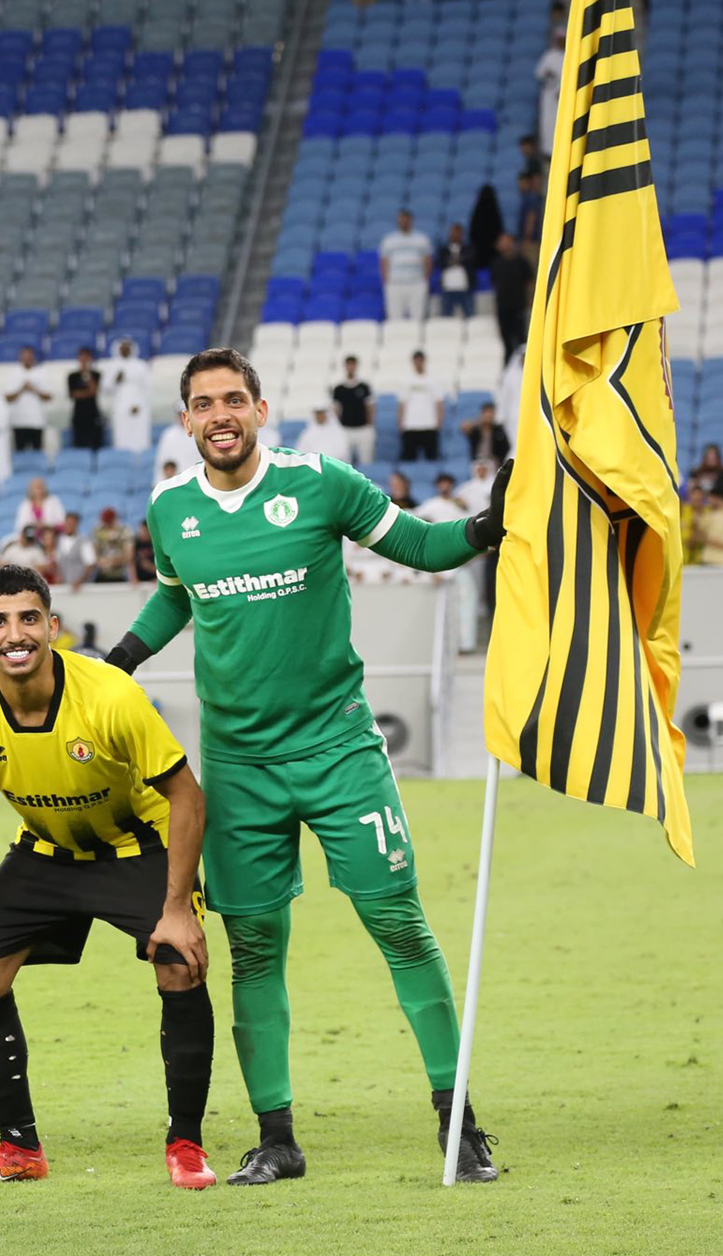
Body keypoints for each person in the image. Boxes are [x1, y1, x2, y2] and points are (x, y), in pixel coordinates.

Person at [105, 347, 509, 1184]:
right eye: (203, 404)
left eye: (233, 400)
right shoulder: (171, 508)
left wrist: (483, 529)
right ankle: (277, 1139)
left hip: (339, 750)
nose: (219, 416)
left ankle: (459, 1124)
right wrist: (118, 663)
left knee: (399, 925)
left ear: (260, 410)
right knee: (254, 949)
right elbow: (177, 594)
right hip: (239, 767)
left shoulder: (321, 483)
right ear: (185, 421)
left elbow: (419, 544)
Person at [0, 563, 215, 1188]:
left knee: (179, 965)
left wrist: (177, 908)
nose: (14, 634)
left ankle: (186, 1145)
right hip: (46, 851)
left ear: (52, 626)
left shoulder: (110, 695)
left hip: (139, 845)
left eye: (28, 618)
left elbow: (188, 797)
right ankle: (19, 1148)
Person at [379, 209, 433, 322]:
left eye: (406, 220)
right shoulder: (389, 240)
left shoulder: (422, 239)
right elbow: (384, 262)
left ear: (411, 221)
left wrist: (424, 279)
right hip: (395, 284)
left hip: (417, 283)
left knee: (417, 317)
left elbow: (428, 261)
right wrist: (387, 280)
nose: (403, 222)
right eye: (401, 220)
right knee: (394, 318)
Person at [101, 335, 152, 453]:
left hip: (138, 406)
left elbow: (147, 389)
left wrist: (139, 405)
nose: (125, 350)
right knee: (121, 434)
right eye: (122, 348)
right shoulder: (111, 366)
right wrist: (115, 380)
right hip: (119, 407)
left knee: (139, 434)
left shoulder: (141, 365)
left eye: (127, 347)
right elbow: (105, 388)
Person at [490, 233, 536, 362]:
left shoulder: (522, 261)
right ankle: (508, 365)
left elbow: (529, 282)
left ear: (512, 243)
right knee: (506, 339)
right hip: (502, 306)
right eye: (501, 242)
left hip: (518, 305)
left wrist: (530, 299)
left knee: (521, 338)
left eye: (506, 241)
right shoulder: (496, 263)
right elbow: (495, 283)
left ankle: (523, 364)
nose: (504, 244)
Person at [3, 345, 53, 454]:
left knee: (37, 453)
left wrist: (34, 389)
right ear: (20, 357)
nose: (27, 359)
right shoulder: (13, 374)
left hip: (37, 421)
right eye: (24, 356)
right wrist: (22, 389)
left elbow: (49, 397)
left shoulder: (41, 373)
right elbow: (7, 398)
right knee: (20, 454)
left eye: (29, 356)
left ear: (33, 357)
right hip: (19, 422)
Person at [399, 350, 444, 462]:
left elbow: (439, 402)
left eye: (420, 360)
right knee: (409, 459)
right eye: (416, 361)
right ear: (413, 362)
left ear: (424, 361)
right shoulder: (406, 381)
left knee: (432, 459)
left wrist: (439, 422)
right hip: (410, 425)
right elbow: (402, 403)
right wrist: (401, 423)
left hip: (429, 425)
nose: (418, 363)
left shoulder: (432, 381)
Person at [331, 356, 375, 465]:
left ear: (356, 366)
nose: (350, 367)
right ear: (345, 366)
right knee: (344, 461)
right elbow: (336, 409)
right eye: (348, 365)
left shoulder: (364, 386)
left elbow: (370, 407)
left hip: (363, 428)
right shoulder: (339, 389)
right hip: (346, 429)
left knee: (366, 460)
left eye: (353, 364)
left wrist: (370, 425)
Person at [535, 25, 567, 152]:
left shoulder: (572, 54)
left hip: (566, 95)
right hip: (551, 96)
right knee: (549, 124)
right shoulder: (550, 56)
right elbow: (539, 73)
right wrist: (548, 74)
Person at [66, 346, 104, 451]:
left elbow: (94, 391)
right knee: (79, 446)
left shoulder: (96, 375)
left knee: (96, 445)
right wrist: (87, 393)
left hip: (93, 414)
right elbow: (73, 394)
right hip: (79, 415)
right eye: (82, 357)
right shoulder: (72, 376)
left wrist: (87, 375)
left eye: (87, 358)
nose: (84, 360)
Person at [434, 223, 473, 317]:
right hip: (447, 288)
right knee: (446, 317)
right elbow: (440, 262)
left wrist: (453, 261)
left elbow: (471, 261)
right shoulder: (443, 250)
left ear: (462, 235)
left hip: (465, 288)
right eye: (453, 233)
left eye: (458, 233)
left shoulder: (468, 249)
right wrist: (458, 260)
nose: (455, 235)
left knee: (470, 317)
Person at [52, 511, 96, 589]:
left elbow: (90, 564)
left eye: (72, 524)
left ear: (77, 525)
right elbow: (57, 563)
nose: (69, 526)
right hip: (63, 586)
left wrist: (80, 581)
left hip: (79, 588)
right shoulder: (59, 541)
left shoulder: (84, 542)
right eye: (67, 523)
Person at [91, 506, 136, 583]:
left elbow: (129, 556)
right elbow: (94, 554)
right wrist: (99, 560)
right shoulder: (98, 530)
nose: (107, 524)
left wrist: (112, 561)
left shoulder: (124, 531)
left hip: (119, 574)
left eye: (109, 522)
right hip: (102, 574)